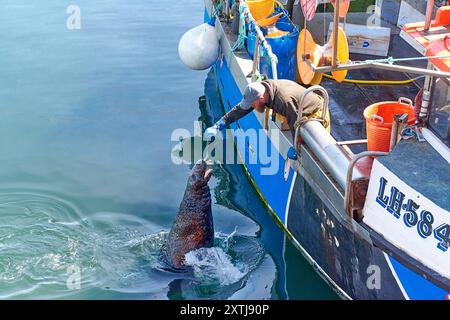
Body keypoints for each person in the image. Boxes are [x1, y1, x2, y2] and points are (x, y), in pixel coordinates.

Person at [204, 79, 329, 159]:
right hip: (295, 106)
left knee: (318, 150)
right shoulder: (264, 89)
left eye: (253, 104)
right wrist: (220, 124)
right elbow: (242, 109)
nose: (252, 107)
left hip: (314, 111)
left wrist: (296, 147)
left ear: (261, 98)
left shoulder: (284, 101)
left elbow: (294, 122)